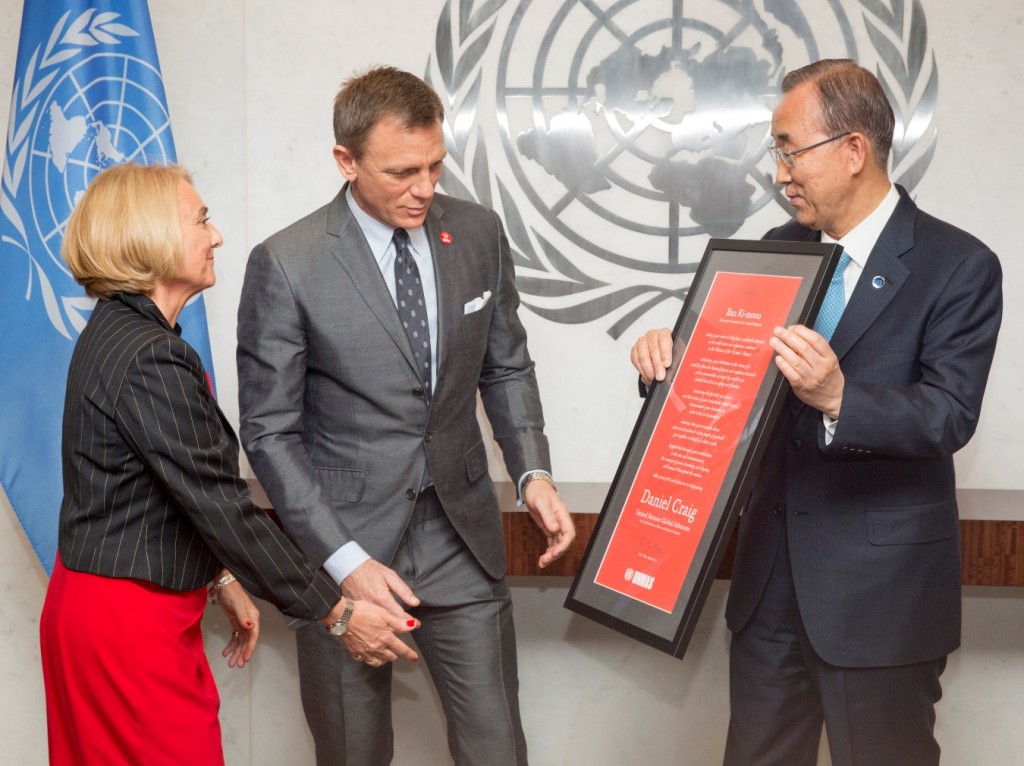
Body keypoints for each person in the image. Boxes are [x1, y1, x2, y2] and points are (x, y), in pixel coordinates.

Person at [631, 59, 1002, 766]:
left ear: (854, 150)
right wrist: (668, 366)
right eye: (777, 153)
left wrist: (839, 398)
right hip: (769, 592)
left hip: (881, 602)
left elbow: (950, 414)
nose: (779, 173)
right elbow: (726, 401)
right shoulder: (775, 251)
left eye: (789, 149)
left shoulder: (959, 265)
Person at [236, 65, 575, 766]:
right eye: (400, 172)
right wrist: (345, 561)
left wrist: (533, 473)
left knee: (497, 751)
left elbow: (505, 364)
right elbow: (270, 433)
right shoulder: (288, 262)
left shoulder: (478, 234)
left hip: (463, 539)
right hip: (344, 552)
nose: (424, 188)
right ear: (346, 161)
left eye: (434, 166)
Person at [40, 162, 417, 766]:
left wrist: (220, 577)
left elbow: (152, 489)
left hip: (105, 602)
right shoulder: (150, 357)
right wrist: (340, 613)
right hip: (126, 624)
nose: (216, 236)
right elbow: (223, 507)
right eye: (202, 220)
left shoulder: (122, 332)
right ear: (151, 236)